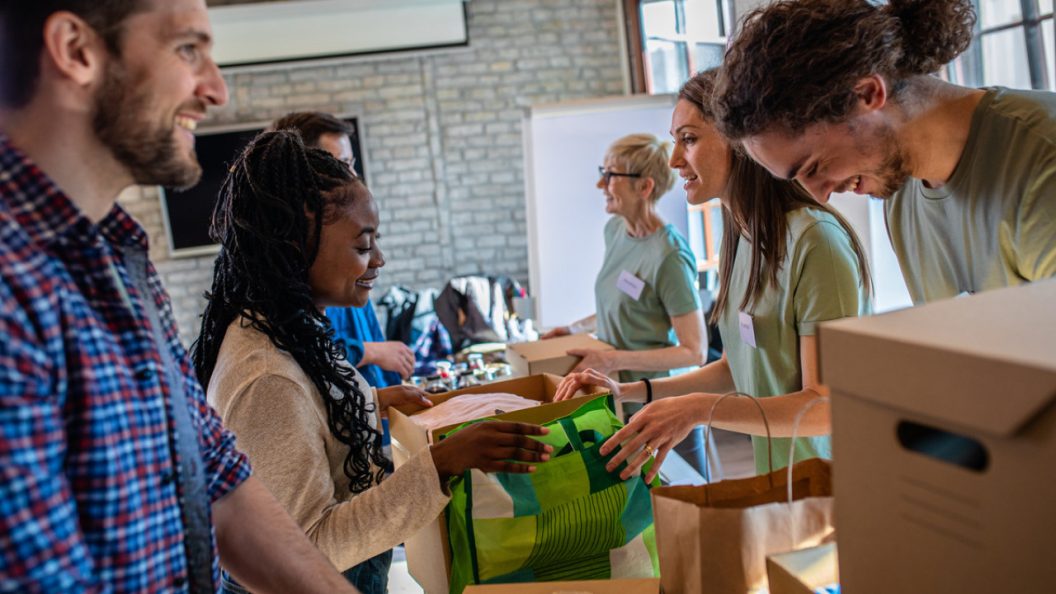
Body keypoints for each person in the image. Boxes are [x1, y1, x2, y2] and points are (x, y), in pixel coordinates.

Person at [0, 1, 360, 592]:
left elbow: (215, 479)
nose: (215, 90)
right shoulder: (15, 287)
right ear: (76, 50)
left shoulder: (120, 259)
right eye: (188, 49)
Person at [192, 130, 552, 594]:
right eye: (363, 246)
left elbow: (305, 425)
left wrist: (373, 401)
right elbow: (303, 551)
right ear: (296, 244)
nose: (379, 260)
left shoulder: (288, 329)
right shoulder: (265, 376)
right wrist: (441, 464)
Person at [556, 70, 872, 480]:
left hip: (832, 489)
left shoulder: (816, 242)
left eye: (688, 139)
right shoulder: (743, 237)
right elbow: (734, 369)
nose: (674, 160)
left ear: (741, 141)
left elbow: (824, 408)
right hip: (776, 482)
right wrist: (629, 392)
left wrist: (697, 410)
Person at [714, 0, 1056, 305]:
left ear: (867, 93)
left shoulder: (1041, 158)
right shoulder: (900, 192)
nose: (822, 195)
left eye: (815, 166)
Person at [270, 111, 411, 388]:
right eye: (341, 163)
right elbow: (308, 345)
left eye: (352, 163)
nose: (353, 176)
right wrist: (371, 352)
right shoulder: (304, 268)